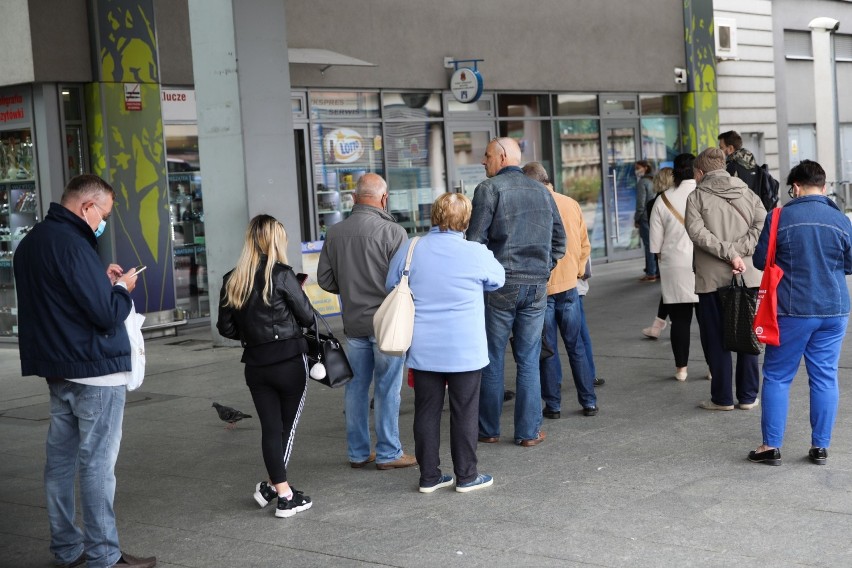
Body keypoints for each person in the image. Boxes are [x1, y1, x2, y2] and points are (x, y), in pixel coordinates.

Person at [13, 174, 156, 568]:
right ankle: (104, 555)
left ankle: (67, 549)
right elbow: (105, 314)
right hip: (95, 371)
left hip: (58, 370)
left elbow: (62, 300)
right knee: (97, 466)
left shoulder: (30, 244)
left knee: (59, 465)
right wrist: (121, 289)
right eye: (103, 214)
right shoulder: (75, 245)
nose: (102, 222)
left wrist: (101, 281)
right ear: (86, 207)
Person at [386, 193, 504, 493]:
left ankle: (429, 477)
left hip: (424, 348)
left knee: (426, 410)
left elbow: (391, 284)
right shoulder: (475, 252)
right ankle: (466, 476)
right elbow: (498, 279)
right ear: (466, 221)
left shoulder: (411, 248)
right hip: (465, 348)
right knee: (464, 410)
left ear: (435, 215)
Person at [748, 160, 852, 466]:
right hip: (834, 310)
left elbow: (759, 261)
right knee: (825, 377)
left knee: (778, 376)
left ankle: (771, 447)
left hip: (792, 309)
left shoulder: (779, 217)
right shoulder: (841, 219)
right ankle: (820, 447)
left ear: (794, 187)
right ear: (822, 185)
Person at [467, 137, 566, 447]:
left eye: (487, 156)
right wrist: (542, 268)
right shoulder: (541, 189)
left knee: (493, 356)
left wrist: (490, 274)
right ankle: (527, 432)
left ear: (503, 156)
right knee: (528, 358)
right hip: (536, 285)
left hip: (501, 283)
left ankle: (488, 429)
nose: (483, 162)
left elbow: (474, 241)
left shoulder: (489, 189)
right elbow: (559, 240)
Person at [217, 215, 316, 517]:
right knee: (286, 430)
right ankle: (282, 493)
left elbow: (226, 328)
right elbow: (308, 317)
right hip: (288, 361)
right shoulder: (283, 275)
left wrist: (251, 334)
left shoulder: (233, 278)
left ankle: (273, 487)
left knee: (271, 429)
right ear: (275, 241)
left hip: (256, 365)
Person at [317, 173, 417, 470]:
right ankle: (388, 453)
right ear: (383, 199)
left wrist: (350, 288)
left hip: (354, 324)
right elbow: (404, 281)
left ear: (354, 198)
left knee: (355, 389)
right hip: (388, 326)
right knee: (387, 388)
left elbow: (324, 279)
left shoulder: (335, 232)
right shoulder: (393, 232)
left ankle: (358, 453)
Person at [685, 147, 766, 411]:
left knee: (716, 338)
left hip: (711, 279)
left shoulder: (696, 197)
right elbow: (761, 227)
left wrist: (728, 252)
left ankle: (721, 398)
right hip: (747, 276)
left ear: (700, 172)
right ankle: (748, 396)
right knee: (747, 334)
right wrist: (740, 251)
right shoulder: (748, 192)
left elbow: (697, 234)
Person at [522, 162, 596, 419]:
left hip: (542, 289)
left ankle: (553, 405)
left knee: (548, 349)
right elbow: (585, 245)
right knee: (576, 346)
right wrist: (574, 272)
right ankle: (589, 401)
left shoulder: (531, 207)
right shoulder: (571, 203)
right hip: (569, 287)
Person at [649, 154, 699, 381]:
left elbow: (655, 245)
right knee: (709, 321)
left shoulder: (663, 200)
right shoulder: (704, 194)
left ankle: (682, 369)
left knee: (680, 320)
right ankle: (711, 367)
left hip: (675, 266)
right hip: (704, 264)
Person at [641, 167, 674, 338]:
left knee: (669, 290)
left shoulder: (653, 203)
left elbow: (655, 234)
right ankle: (660, 323)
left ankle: (658, 324)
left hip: (664, 253)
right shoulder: (683, 199)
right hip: (683, 251)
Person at [634, 160, 658, 282]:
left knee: (649, 246)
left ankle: (651, 273)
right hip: (655, 216)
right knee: (656, 244)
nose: (636, 170)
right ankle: (656, 271)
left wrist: (636, 218)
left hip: (644, 217)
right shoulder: (654, 180)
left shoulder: (642, 182)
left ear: (645, 168)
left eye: (638, 168)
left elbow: (640, 203)